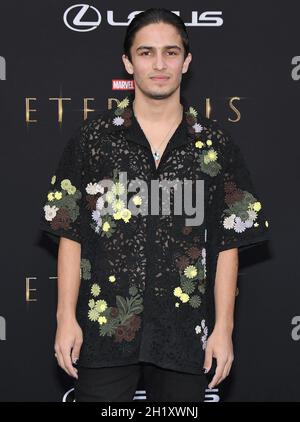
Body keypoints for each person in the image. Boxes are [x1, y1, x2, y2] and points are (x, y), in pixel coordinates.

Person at [39, 8, 270, 402]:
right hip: (105, 332)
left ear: (187, 60)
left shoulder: (215, 145)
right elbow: (69, 233)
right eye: (146, 53)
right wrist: (65, 319)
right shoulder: (93, 140)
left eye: (170, 52)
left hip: (183, 336)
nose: (159, 64)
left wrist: (224, 330)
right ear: (128, 62)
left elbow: (228, 244)